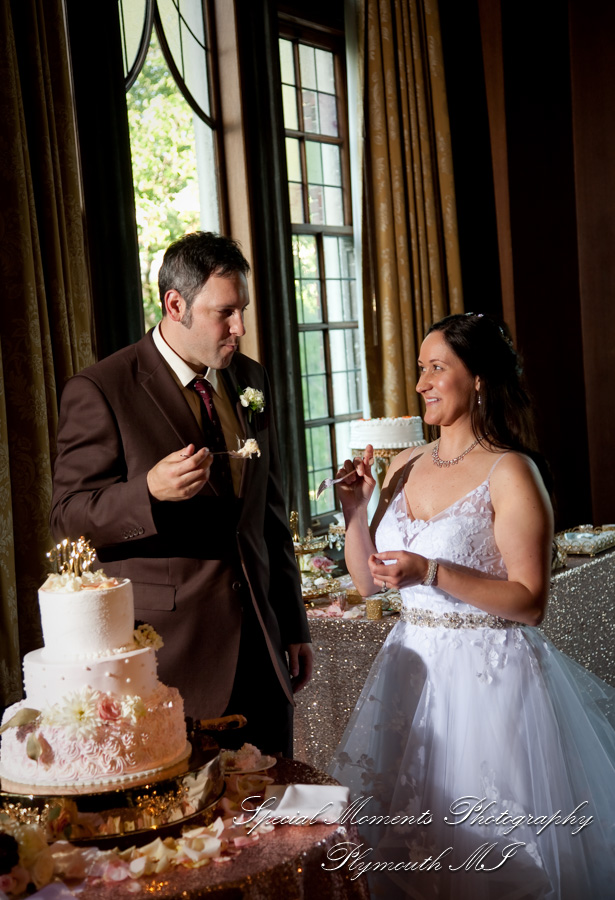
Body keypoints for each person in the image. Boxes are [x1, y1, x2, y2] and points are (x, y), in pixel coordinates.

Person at [329, 313, 615, 898]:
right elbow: (370, 586)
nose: (422, 383)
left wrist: (432, 571)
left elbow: (530, 602)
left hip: (488, 680)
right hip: (410, 668)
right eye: (419, 370)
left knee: (486, 854)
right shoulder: (403, 465)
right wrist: (355, 513)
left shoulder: (512, 471)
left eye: (438, 368)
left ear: (478, 379)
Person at [50, 231, 312, 757]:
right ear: (176, 305)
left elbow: (268, 513)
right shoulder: (102, 389)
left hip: (261, 644)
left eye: (242, 310)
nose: (239, 328)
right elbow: (68, 517)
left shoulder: (248, 376)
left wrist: (291, 618)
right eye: (225, 313)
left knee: (271, 811)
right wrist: (147, 492)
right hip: (174, 655)